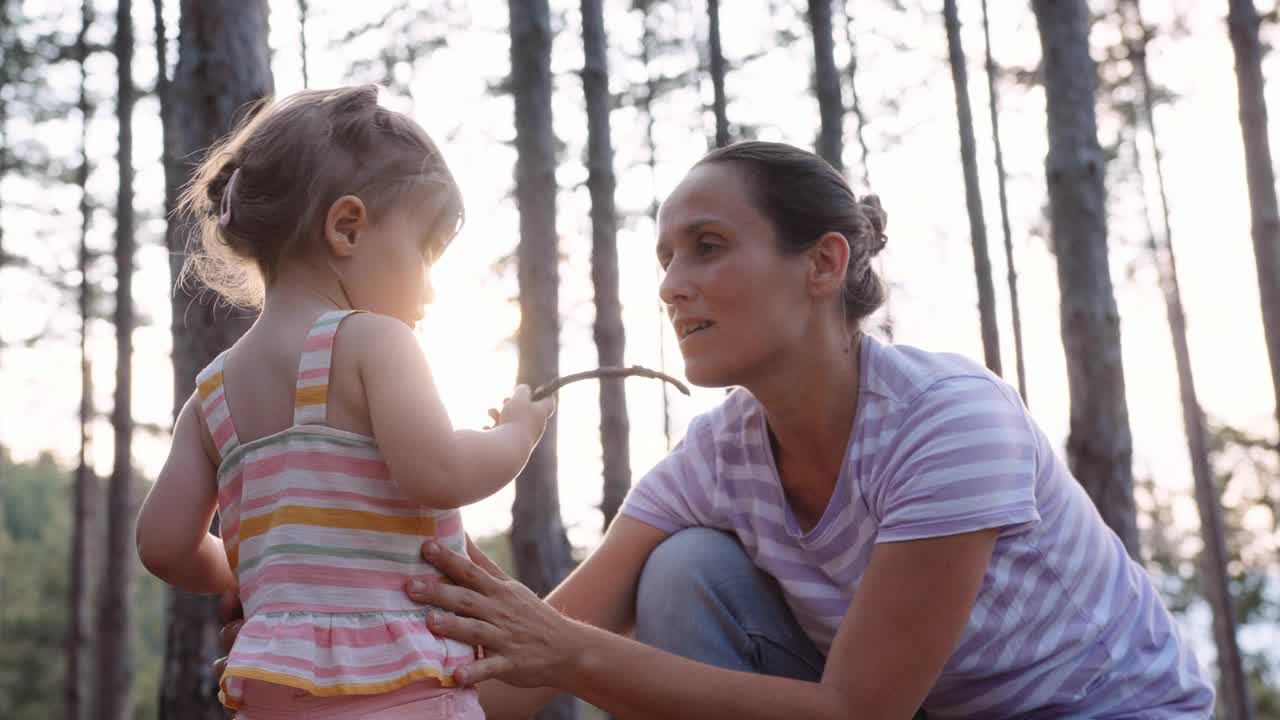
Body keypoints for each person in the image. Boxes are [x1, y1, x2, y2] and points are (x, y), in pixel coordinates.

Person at [137, 84, 553, 719]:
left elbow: (163, 544)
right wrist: (515, 437)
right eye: (426, 253)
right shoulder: (374, 342)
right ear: (348, 228)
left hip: (274, 686)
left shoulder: (211, 395)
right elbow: (437, 472)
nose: (433, 289)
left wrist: (271, 573)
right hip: (397, 683)